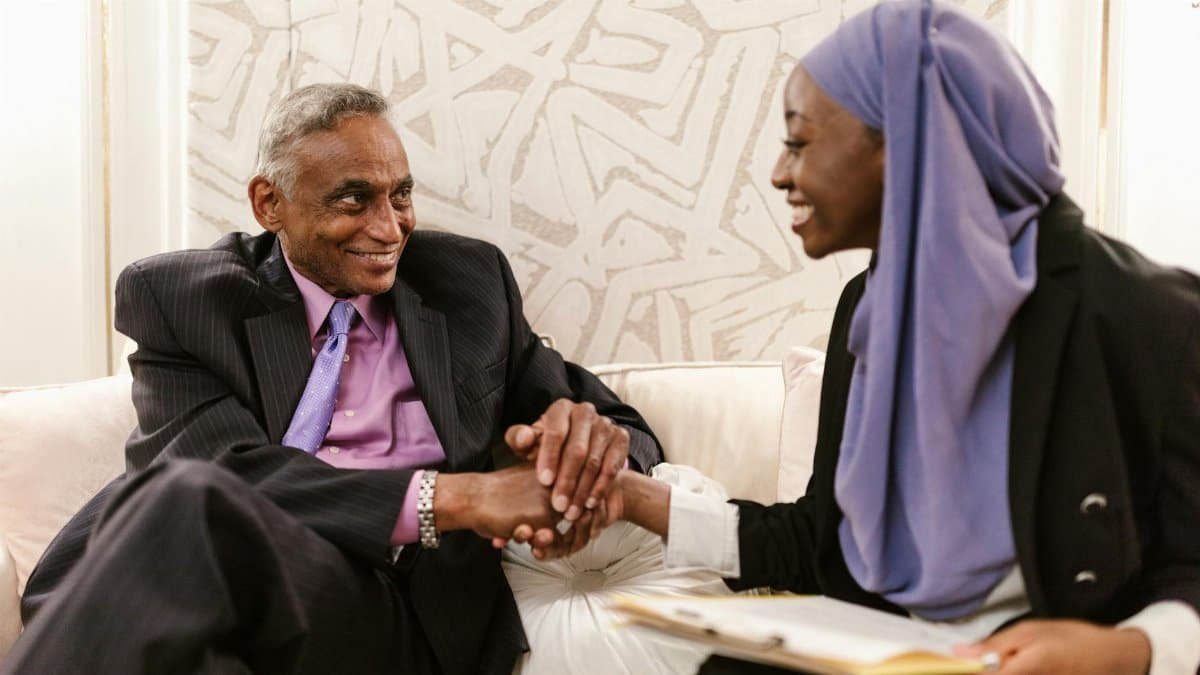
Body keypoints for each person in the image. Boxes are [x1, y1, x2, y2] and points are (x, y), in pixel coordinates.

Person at [513, 1, 1200, 673]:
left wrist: (1127, 652)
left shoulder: (1144, 314)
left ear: (904, 141)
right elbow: (819, 540)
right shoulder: (868, 310)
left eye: (800, 140)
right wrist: (632, 499)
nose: (781, 173)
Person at [2, 83, 663, 674]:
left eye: (400, 195)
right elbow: (227, 475)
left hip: (384, 609)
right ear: (270, 203)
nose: (388, 227)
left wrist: (589, 449)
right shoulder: (183, 298)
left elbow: (627, 431)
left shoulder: (468, 285)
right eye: (354, 199)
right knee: (196, 505)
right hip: (201, 580)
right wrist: (458, 497)